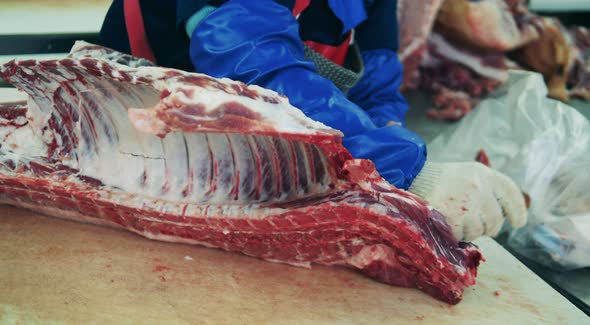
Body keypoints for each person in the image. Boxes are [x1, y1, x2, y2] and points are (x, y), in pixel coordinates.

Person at [99, 0, 527, 241]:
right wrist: (409, 172)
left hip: (257, 144)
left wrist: (396, 143)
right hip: (142, 123)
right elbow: (249, 57)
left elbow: (377, 85)